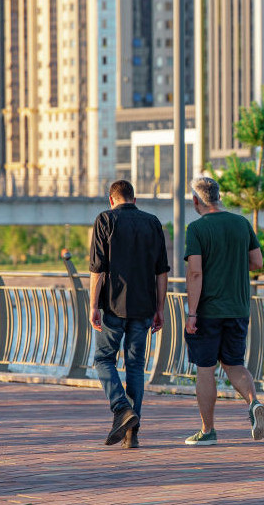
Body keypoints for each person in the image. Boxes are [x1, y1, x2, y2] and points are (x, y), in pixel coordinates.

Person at [183, 176, 264, 445]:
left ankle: (207, 431)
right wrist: (231, 264)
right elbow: (257, 262)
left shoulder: (196, 229)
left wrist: (192, 312)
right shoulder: (241, 223)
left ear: (196, 200)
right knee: (234, 364)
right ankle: (253, 403)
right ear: (218, 196)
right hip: (239, 308)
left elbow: (195, 273)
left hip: (208, 311)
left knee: (205, 369)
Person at [89, 180, 169, 448]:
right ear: (134, 199)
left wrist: (92, 306)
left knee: (103, 359)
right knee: (135, 365)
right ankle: (131, 433)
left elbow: (98, 269)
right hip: (144, 305)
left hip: (113, 305)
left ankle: (121, 407)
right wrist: (160, 308)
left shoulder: (105, 220)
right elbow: (161, 271)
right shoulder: (152, 222)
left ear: (111, 200)